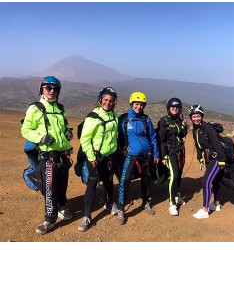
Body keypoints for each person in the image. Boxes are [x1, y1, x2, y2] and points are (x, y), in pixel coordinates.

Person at [21, 76, 73, 234]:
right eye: (48, 88)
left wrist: (67, 132)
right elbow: (26, 130)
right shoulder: (35, 108)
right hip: (48, 155)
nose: (51, 91)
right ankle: (50, 219)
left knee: (62, 184)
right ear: (41, 89)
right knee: (49, 187)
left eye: (55, 89)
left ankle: (62, 207)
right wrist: (41, 138)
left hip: (63, 154)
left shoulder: (60, 108)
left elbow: (63, 125)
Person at [77, 87, 119, 232]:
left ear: (114, 102)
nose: (108, 103)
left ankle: (109, 203)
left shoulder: (114, 116)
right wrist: (91, 156)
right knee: (92, 183)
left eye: (111, 100)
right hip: (95, 156)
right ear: (100, 100)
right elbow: (85, 139)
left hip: (109, 156)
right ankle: (87, 216)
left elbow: (115, 136)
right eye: (105, 100)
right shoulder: (92, 117)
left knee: (108, 180)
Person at [117, 91, 160, 225]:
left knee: (146, 180)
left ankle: (145, 202)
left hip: (146, 156)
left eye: (141, 105)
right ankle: (121, 208)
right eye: (136, 104)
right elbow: (116, 136)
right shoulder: (123, 119)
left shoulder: (145, 119)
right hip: (131, 156)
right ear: (131, 104)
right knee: (124, 180)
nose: (139, 107)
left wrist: (156, 154)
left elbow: (153, 137)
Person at [189, 105, 226, 219]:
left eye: (198, 116)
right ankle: (216, 204)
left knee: (206, 181)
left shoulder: (207, 128)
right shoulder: (195, 129)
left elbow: (217, 144)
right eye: (194, 117)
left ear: (202, 116)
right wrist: (200, 158)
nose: (196, 119)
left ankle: (205, 210)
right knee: (214, 181)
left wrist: (221, 161)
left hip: (216, 158)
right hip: (208, 159)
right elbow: (198, 145)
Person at [157, 98, 188, 216]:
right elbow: (162, 140)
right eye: (172, 108)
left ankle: (176, 195)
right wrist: (164, 156)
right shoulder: (164, 121)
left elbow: (183, 134)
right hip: (170, 152)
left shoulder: (180, 120)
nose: (175, 110)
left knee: (179, 174)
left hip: (180, 151)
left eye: (177, 108)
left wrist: (184, 125)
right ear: (168, 108)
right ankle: (172, 204)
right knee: (174, 175)